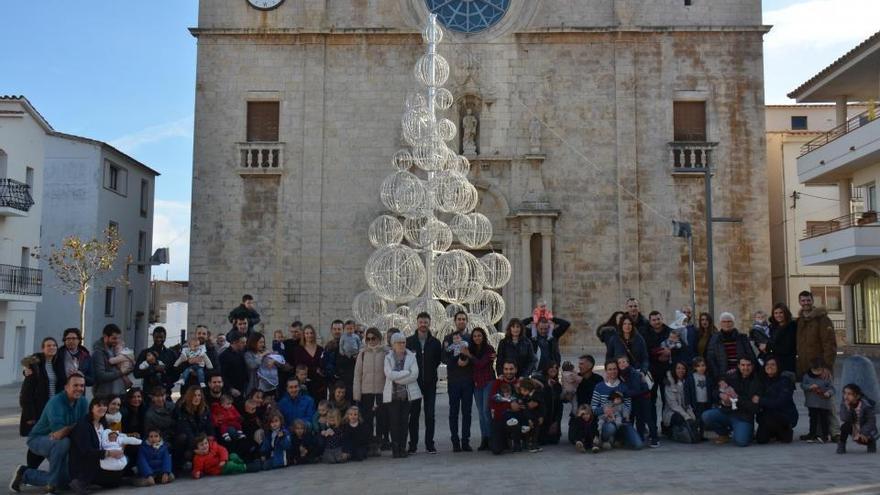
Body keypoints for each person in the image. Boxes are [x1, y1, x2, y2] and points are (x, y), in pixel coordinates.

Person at [10, 372, 88, 494]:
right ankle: (51, 486)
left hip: (61, 440)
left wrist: (72, 428)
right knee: (63, 442)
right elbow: (58, 434)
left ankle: (25, 474)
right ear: (66, 387)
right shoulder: (56, 402)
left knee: (65, 481)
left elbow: (84, 427)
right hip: (39, 439)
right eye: (75, 385)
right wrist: (76, 426)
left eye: (82, 386)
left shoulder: (83, 402)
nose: (79, 388)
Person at [701, 357, 764, 447]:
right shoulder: (731, 376)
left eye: (748, 365)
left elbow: (754, 408)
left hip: (743, 417)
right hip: (726, 412)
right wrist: (721, 395)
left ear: (753, 366)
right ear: (738, 366)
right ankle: (724, 434)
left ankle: (745, 431)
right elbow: (715, 391)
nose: (745, 368)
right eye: (742, 365)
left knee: (741, 442)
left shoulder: (757, 382)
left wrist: (737, 399)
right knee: (706, 416)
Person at [67, 397, 124, 495]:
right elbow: (86, 451)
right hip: (84, 463)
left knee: (116, 481)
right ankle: (80, 481)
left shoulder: (103, 423)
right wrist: (109, 453)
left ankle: (92, 481)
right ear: (92, 408)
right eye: (99, 405)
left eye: (104, 405)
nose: (102, 408)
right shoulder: (83, 425)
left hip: (100, 459)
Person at [19, 337, 61, 468]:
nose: (52, 347)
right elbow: (26, 394)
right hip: (39, 411)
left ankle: (32, 470)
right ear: (43, 348)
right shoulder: (34, 366)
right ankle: (29, 470)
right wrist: (30, 415)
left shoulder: (56, 364)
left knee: (48, 439)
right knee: (39, 440)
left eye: (54, 345)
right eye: (48, 345)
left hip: (53, 410)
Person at [406, 312, 441, 454]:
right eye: (421, 322)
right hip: (414, 383)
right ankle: (413, 444)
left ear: (429, 323)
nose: (423, 324)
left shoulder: (435, 342)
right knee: (413, 414)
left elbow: (438, 360)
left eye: (426, 322)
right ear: (417, 323)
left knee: (430, 414)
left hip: (430, 383)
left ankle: (429, 444)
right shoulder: (409, 342)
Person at [591, 361, 642, 450]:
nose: (612, 371)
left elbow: (628, 405)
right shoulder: (599, 386)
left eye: (614, 369)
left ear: (618, 370)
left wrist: (623, 415)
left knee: (638, 445)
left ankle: (617, 438)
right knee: (610, 427)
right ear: (606, 371)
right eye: (610, 369)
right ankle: (605, 439)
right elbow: (594, 407)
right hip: (606, 420)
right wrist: (604, 410)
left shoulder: (624, 386)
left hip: (621, 421)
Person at [385, 332, 421, 458]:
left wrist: (398, 377)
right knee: (394, 422)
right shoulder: (388, 357)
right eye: (398, 342)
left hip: (407, 395)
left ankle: (402, 447)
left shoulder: (411, 356)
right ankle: (395, 448)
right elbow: (389, 374)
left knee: (404, 422)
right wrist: (406, 373)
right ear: (393, 344)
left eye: (403, 342)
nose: (401, 344)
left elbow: (414, 374)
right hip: (392, 395)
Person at [442, 312, 474, 452]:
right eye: (459, 319)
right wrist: (457, 360)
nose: (461, 321)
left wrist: (467, 359)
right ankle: (455, 441)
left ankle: (465, 441)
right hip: (454, 380)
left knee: (467, 412)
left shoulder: (472, 338)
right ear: (455, 321)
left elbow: (475, 356)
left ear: (467, 321)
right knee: (453, 412)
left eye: (463, 319)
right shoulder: (449, 338)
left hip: (468, 380)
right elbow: (444, 358)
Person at [352, 327, 386, 454]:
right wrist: (357, 394)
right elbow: (357, 375)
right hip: (366, 392)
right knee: (367, 420)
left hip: (381, 391)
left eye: (374, 338)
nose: (371, 341)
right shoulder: (362, 354)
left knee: (381, 419)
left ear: (378, 338)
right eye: (368, 338)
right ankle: (370, 443)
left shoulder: (385, 352)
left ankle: (378, 443)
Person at [616, 355, 656, 447]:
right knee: (638, 419)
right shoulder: (622, 374)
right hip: (635, 398)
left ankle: (654, 438)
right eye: (619, 363)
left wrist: (623, 394)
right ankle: (639, 437)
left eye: (624, 362)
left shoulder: (633, 373)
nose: (622, 364)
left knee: (647, 418)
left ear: (628, 363)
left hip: (644, 398)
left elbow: (637, 389)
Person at [756, 357, 798, 444]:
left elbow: (780, 403)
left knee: (785, 438)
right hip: (767, 415)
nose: (769, 366)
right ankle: (772, 432)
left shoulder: (785, 381)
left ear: (778, 366)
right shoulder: (762, 380)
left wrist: (760, 400)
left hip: (784, 415)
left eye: (773, 364)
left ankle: (785, 430)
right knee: (761, 440)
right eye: (767, 364)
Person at [796, 290, 837, 378]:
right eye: (803, 301)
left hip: (820, 367)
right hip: (805, 368)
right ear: (799, 302)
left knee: (824, 391)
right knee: (809, 391)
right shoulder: (799, 321)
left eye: (808, 300)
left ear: (812, 301)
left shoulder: (822, 319)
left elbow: (829, 344)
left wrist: (827, 366)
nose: (806, 303)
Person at [173, 386, 215, 470]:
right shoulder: (182, 410)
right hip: (189, 442)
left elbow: (210, 427)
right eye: (194, 395)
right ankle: (181, 463)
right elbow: (187, 431)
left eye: (199, 395)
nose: (197, 398)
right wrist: (196, 448)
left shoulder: (205, 409)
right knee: (183, 438)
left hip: (201, 438)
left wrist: (210, 442)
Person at [706, 312, 756, 381]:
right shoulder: (714, 339)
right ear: (720, 323)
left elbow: (750, 356)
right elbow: (711, 359)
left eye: (729, 321)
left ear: (733, 323)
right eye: (724, 321)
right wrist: (718, 376)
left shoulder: (742, 338)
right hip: (723, 375)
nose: (727, 324)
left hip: (742, 374)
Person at [469, 327, 496, 451]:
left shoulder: (489, 349)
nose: (477, 338)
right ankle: (484, 438)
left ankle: (491, 437)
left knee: (486, 411)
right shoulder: (471, 348)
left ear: (483, 336)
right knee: (480, 413)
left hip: (488, 382)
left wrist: (469, 355)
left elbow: (481, 364)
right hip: (477, 384)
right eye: (475, 336)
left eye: (479, 335)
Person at [489, 360, 521, 454]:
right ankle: (505, 441)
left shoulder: (519, 383)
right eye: (506, 369)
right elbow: (492, 403)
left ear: (516, 370)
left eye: (511, 369)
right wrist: (509, 405)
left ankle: (517, 441)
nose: (508, 371)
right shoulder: (497, 383)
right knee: (496, 450)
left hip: (515, 419)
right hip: (500, 419)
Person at [92, 324, 131, 398]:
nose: (117, 341)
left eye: (118, 338)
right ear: (105, 337)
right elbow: (101, 376)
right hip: (105, 395)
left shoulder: (116, 349)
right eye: (114, 338)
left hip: (120, 392)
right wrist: (121, 373)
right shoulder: (98, 353)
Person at [801, 357, 835, 443]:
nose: (817, 373)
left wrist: (828, 393)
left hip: (824, 402)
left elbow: (832, 388)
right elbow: (802, 385)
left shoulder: (826, 376)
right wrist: (809, 387)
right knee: (813, 419)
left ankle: (825, 435)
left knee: (824, 419)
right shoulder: (807, 376)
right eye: (815, 371)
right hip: (812, 403)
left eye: (819, 370)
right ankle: (812, 434)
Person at [837, 383, 877, 454]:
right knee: (844, 426)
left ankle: (871, 443)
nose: (846, 396)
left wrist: (863, 432)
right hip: (854, 428)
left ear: (857, 396)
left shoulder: (866, 406)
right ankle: (841, 446)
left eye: (849, 394)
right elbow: (844, 418)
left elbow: (871, 421)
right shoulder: (844, 404)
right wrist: (848, 409)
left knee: (865, 438)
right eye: (845, 393)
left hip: (866, 429)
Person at [663, 361, 698, 443]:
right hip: (672, 412)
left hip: (685, 410)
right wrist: (686, 416)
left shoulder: (687, 382)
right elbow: (673, 405)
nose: (681, 370)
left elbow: (688, 402)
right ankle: (672, 432)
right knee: (680, 418)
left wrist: (692, 416)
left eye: (683, 368)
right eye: (678, 368)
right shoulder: (669, 382)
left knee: (696, 418)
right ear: (674, 369)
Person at [292, 325, 326, 400]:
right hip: (305, 384)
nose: (309, 335)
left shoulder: (320, 349)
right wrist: (315, 370)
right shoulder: (298, 350)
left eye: (311, 333)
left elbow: (323, 364)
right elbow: (298, 366)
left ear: (314, 334)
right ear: (303, 335)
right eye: (307, 333)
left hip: (319, 384)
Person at [684, 357, 714, 440]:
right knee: (697, 419)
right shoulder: (691, 378)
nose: (701, 368)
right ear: (694, 367)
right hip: (696, 402)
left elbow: (710, 390)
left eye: (703, 365)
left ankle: (702, 434)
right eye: (698, 366)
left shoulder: (707, 378)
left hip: (706, 402)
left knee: (703, 420)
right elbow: (687, 391)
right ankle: (695, 434)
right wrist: (688, 403)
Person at [769, 303, 798, 375]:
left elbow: (787, 348)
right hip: (775, 364)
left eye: (781, 312)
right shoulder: (774, 327)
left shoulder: (792, 326)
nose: (778, 315)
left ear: (786, 313)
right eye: (776, 313)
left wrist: (768, 346)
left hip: (787, 364)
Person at [538, 362, 563, 445]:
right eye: (551, 367)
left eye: (556, 368)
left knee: (554, 440)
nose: (554, 369)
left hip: (553, 420)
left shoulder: (557, 385)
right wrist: (547, 386)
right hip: (542, 419)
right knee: (542, 441)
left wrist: (556, 421)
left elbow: (559, 406)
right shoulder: (539, 382)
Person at [220, 331, 249, 398]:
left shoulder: (241, 353)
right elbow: (222, 375)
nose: (245, 344)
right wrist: (230, 388)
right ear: (234, 342)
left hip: (242, 389)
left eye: (245, 342)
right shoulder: (224, 356)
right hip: (230, 393)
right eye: (242, 342)